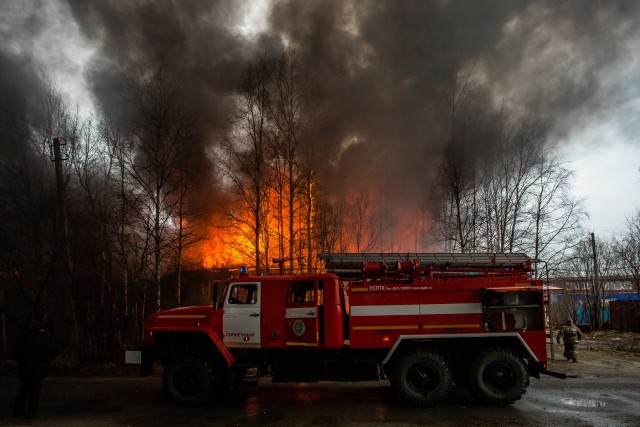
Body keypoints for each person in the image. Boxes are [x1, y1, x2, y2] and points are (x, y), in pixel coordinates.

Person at [12, 323, 59, 419]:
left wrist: (21, 361)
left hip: (24, 368)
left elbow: (15, 354)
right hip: (38, 368)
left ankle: (17, 410)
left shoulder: (24, 339)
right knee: (35, 391)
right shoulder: (44, 340)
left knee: (24, 390)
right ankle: (31, 412)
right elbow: (55, 350)